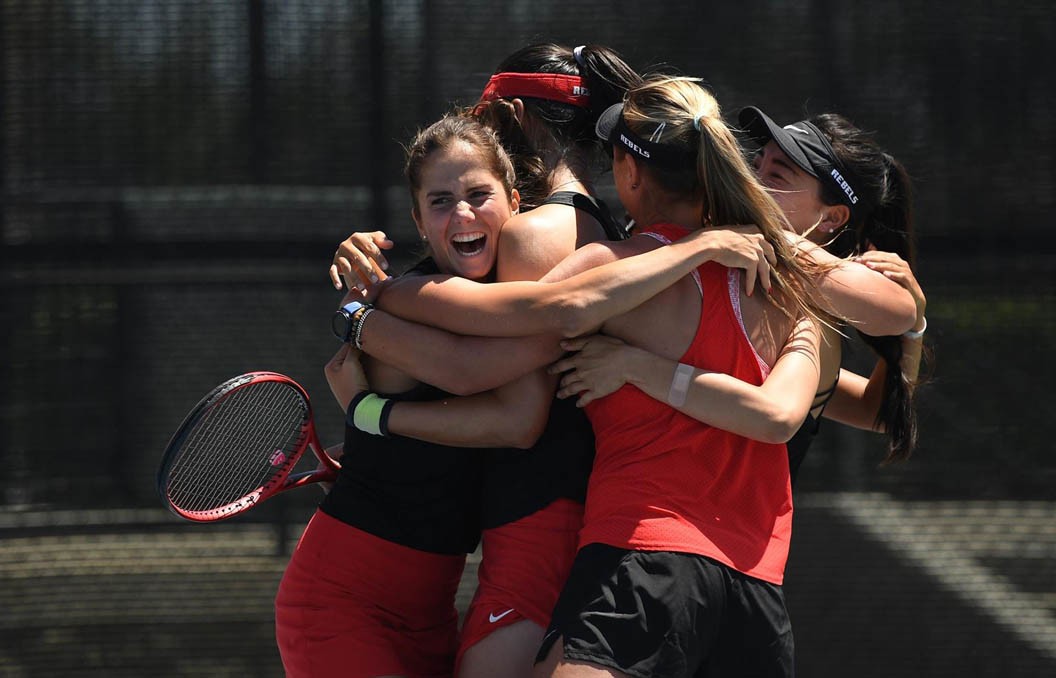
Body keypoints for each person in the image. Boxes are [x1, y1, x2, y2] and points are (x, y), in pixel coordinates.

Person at [335, 75, 904, 677]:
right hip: (756, 589)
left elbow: (484, 349)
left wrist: (368, 306)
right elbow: (898, 316)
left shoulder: (614, 271)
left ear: (630, 174)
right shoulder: (788, 278)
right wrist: (914, 325)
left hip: (645, 558)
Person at [328, 43, 646, 678]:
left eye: (486, 116)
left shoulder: (534, 235)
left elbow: (513, 407)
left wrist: (361, 337)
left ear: (513, 113)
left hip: (539, 528)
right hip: (568, 519)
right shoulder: (595, 223)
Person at [547, 107, 928, 484]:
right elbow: (872, 407)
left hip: (698, 535)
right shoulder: (734, 261)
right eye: (756, 163)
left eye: (776, 175)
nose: (752, 179)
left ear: (831, 218)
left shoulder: (807, 317)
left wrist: (633, 365)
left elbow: (784, 414)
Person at [274, 115, 520, 678]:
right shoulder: (404, 303)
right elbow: (508, 414)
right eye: (440, 201)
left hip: (432, 613)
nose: (461, 213)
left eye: (478, 194)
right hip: (340, 606)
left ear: (514, 200)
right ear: (418, 221)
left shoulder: (511, 290)